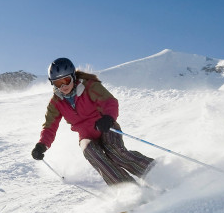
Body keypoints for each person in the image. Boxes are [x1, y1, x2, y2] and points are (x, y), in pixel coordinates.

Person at [31, 57, 155, 186]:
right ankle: (128, 189)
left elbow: (109, 102)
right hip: (86, 136)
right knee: (91, 152)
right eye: (58, 83)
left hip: (105, 126)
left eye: (66, 80)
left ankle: (155, 172)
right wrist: (42, 145)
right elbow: (50, 126)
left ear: (73, 76)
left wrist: (108, 117)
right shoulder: (56, 102)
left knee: (116, 153)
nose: (63, 86)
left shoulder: (89, 86)